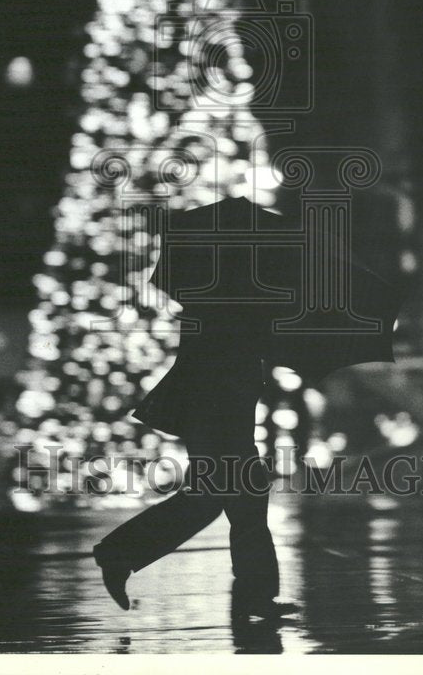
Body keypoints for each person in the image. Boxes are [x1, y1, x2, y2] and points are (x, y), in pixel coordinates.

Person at [92, 193, 298, 621]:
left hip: (219, 411)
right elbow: (227, 359)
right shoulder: (226, 304)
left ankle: (257, 596)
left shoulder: (216, 298)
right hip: (218, 411)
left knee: (229, 498)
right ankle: (118, 553)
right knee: (226, 497)